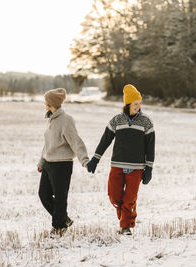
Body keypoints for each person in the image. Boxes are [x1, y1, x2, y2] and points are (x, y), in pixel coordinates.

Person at [87, 84, 155, 235]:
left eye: (140, 103)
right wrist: (95, 159)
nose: (139, 106)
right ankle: (125, 218)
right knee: (114, 196)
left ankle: (126, 227)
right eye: (136, 103)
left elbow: (150, 147)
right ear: (128, 104)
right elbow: (105, 141)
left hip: (137, 167)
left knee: (130, 198)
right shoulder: (116, 120)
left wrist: (149, 168)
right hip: (117, 165)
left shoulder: (146, 122)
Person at [37, 88, 89, 237]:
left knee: (60, 198)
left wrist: (84, 160)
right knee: (43, 195)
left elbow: (75, 142)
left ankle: (59, 227)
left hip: (62, 164)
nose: (44, 104)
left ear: (52, 103)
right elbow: (47, 144)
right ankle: (64, 219)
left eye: (46, 102)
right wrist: (41, 162)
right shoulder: (50, 119)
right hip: (48, 163)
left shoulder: (66, 120)